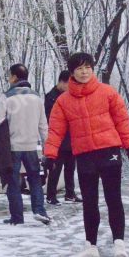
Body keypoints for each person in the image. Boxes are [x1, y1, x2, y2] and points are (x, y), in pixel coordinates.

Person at [44, 53, 129, 257]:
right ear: (72, 72)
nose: (84, 72)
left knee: (113, 199)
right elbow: (55, 131)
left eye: (88, 67)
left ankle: (119, 245)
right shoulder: (63, 102)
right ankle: (91, 248)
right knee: (89, 203)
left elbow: (122, 121)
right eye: (80, 68)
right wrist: (50, 155)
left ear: (93, 69)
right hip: (84, 156)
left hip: (109, 151)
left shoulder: (107, 92)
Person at [0, 63, 50, 225]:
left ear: (15, 77)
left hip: (12, 147)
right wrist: (47, 148)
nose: (9, 79)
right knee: (35, 180)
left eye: (10, 76)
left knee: (13, 182)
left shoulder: (7, 97)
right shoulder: (37, 97)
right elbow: (43, 126)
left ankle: (17, 218)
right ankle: (40, 211)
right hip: (31, 147)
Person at [44, 70, 80, 205]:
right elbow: (50, 119)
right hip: (58, 139)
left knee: (70, 168)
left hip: (72, 139)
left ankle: (70, 193)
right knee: (55, 168)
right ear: (62, 82)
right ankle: (50, 195)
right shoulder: (51, 97)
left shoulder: (71, 96)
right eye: (68, 84)